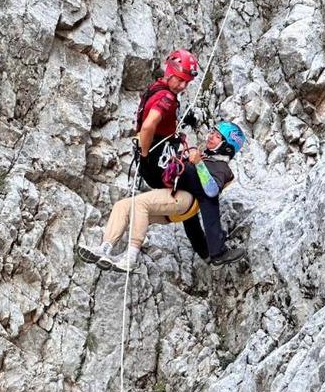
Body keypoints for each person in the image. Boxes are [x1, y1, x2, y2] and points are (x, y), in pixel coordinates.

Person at [78, 121, 248, 272]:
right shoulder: (202, 157)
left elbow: (211, 190)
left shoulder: (222, 168)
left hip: (185, 199)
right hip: (174, 200)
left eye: (218, 136)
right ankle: (105, 247)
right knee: (123, 205)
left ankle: (130, 257)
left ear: (227, 147)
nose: (211, 136)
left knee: (140, 204)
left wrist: (198, 164)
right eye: (212, 132)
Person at [136, 49, 199, 189]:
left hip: (152, 155)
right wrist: (144, 157)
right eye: (180, 79)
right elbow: (148, 125)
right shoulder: (167, 98)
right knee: (195, 179)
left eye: (187, 83)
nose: (183, 86)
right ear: (169, 72)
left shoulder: (157, 87)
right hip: (157, 161)